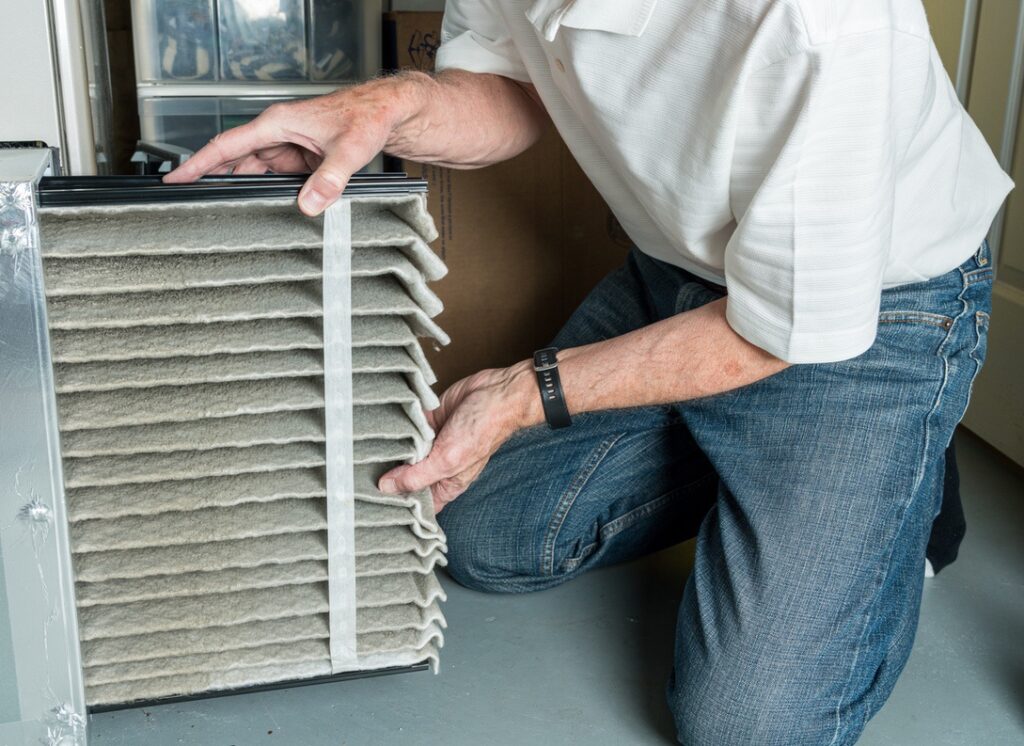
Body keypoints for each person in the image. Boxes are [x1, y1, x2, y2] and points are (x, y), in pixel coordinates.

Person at [166, 1, 1013, 742]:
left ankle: (904, 470)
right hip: (676, 278)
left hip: (862, 312)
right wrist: (392, 108)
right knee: (482, 537)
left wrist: (519, 395)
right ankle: (776, 470)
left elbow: (776, 329)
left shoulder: (825, 20)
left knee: (752, 728)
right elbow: (513, 91)